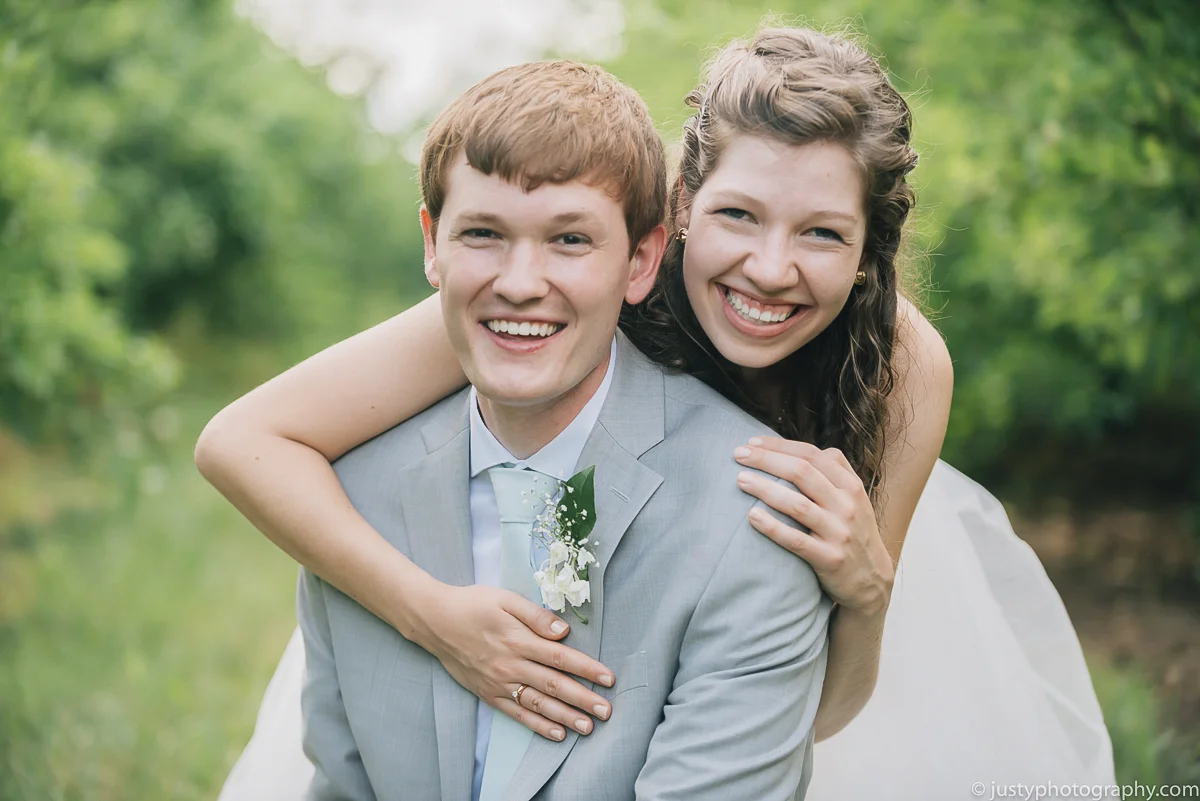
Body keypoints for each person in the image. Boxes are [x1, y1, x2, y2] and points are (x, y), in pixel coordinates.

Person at [197, 25, 1115, 800]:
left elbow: (826, 711)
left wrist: (867, 594)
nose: (769, 266)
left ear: (871, 250)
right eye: (740, 216)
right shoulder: (563, 288)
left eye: (824, 233)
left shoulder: (905, 369)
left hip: (787, 662)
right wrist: (436, 616)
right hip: (540, 568)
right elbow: (244, 440)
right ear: (675, 216)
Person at [294, 58, 831, 800]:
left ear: (642, 259)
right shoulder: (351, 496)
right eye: (483, 232)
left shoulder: (754, 523)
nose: (520, 281)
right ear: (432, 243)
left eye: (570, 240)